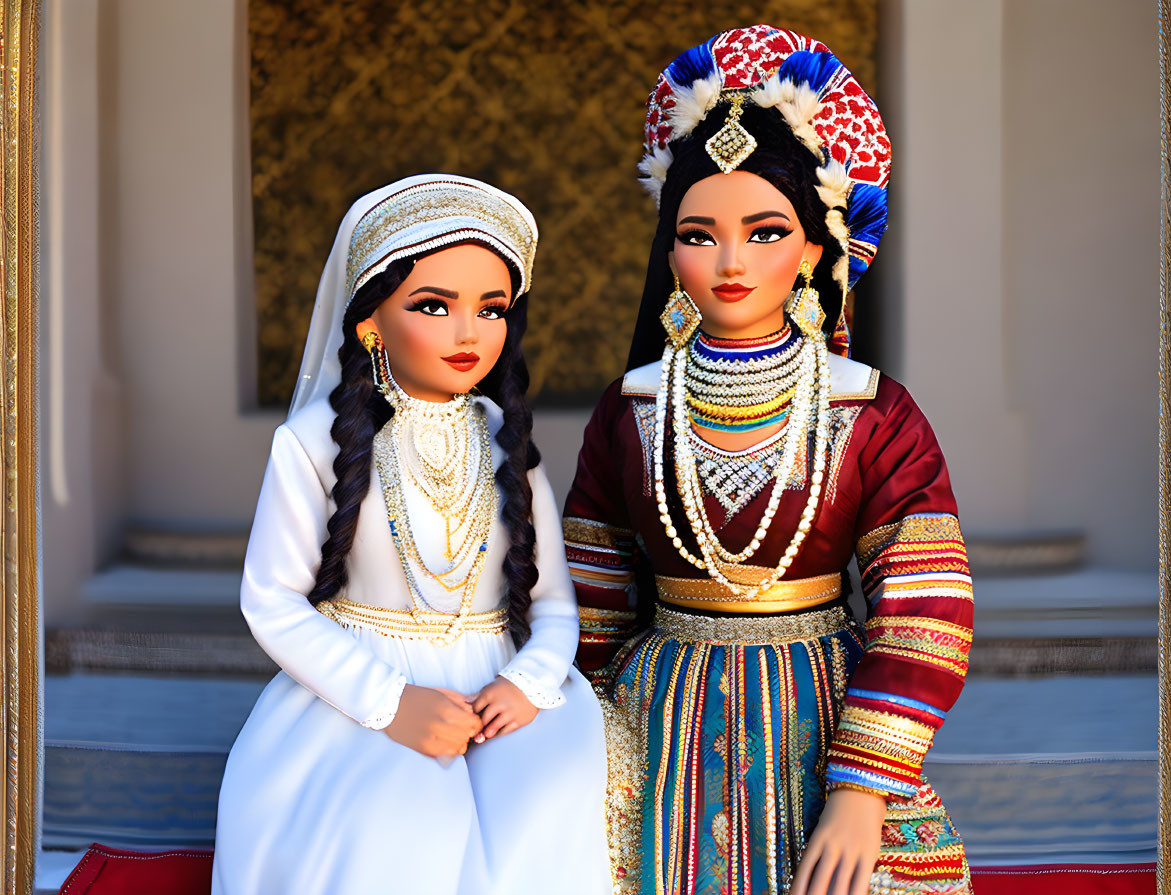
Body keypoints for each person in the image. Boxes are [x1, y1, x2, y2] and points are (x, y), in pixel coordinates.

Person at [564, 26, 972, 895]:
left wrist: (864, 786)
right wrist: (585, 749)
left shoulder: (871, 409)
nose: (730, 260)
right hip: (653, 714)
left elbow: (924, 606)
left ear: (817, 246)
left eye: (763, 230)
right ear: (669, 251)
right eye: (698, 234)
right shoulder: (633, 406)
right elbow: (589, 608)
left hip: (826, 716)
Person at [213, 174, 610, 895]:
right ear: (370, 322)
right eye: (433, 305)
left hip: (498, 694)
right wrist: (391, 702)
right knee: (398, 830)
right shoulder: (312, 444)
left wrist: (526, 681)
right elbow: (270, 599)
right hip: (359, 692)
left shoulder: (505, 443)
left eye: (490, 309)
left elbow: (553, 603)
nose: (468, 333)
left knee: (548, 806)